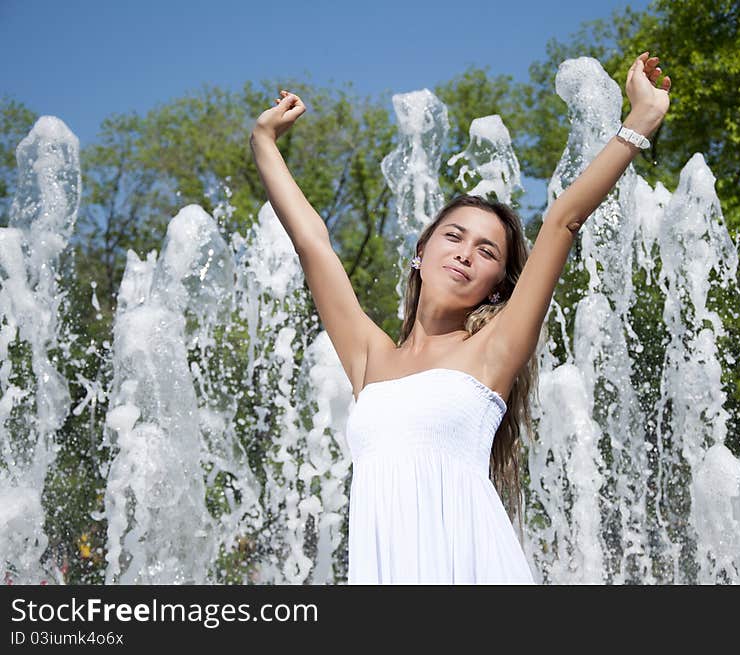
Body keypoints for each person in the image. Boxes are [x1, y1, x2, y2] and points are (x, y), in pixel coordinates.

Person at [250, 52, 671, 584]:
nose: (466, 253)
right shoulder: (369, 358)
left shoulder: (492, 352)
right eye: (453, 236)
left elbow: (563, 219)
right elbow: (312, 242)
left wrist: (640, 121)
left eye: (488, 252)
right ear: (420, 253)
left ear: (497, 283)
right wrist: (263, 143)